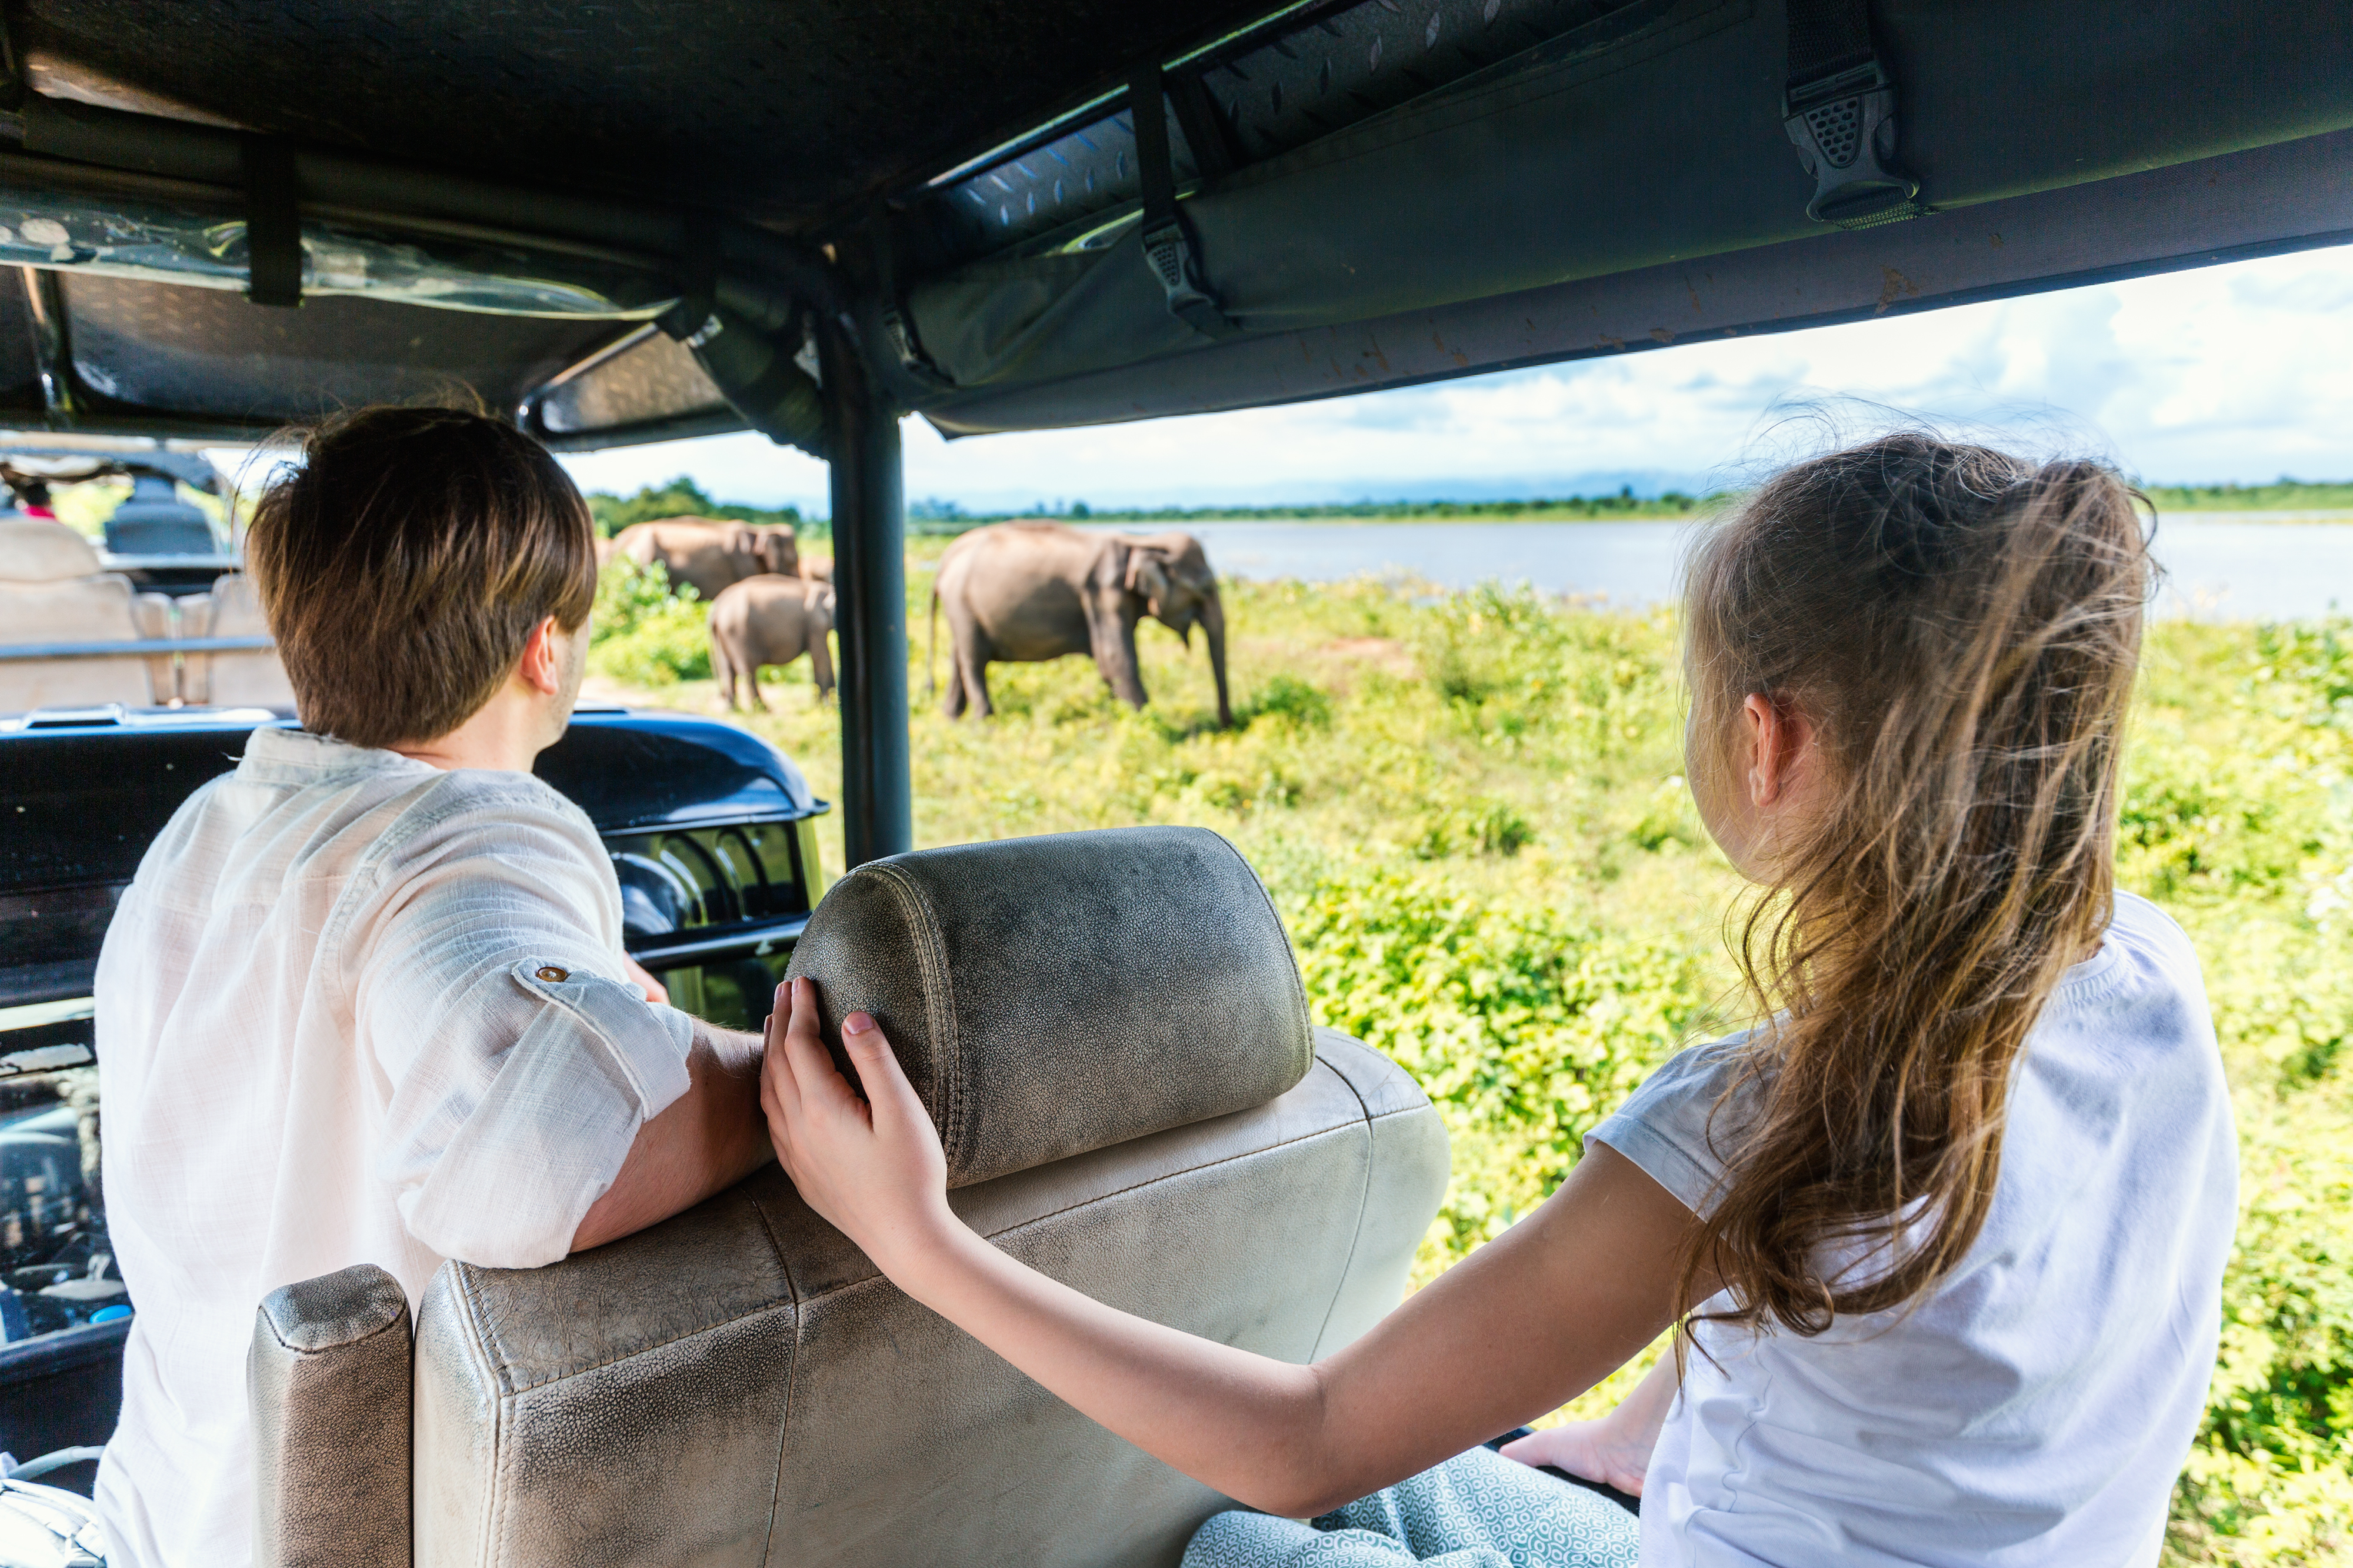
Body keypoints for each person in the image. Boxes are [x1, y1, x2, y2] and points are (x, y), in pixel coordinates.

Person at [759, 434, 2237, 1566]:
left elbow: (1304, 1441)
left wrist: (917, 1239)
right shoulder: (2151, 982)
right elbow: (1851, 1310)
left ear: (1762, 739)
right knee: (1448, 1468)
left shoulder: (1765, 1107)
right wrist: (1620, 1434)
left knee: (1239, 1543)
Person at [91, 407, 772, 1568]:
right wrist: (759, 1068)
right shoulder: (470, 833)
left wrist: (601, 1025)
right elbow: (532, 1156)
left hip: (172, 1511)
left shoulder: (209, 829)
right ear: (544, 648)